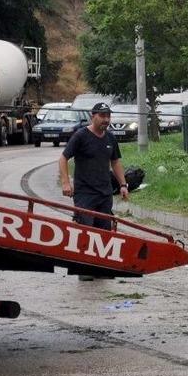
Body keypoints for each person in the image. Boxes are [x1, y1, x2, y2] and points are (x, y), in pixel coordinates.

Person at [58, 102, 130, 281]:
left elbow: (115, 162)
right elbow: (63, 158)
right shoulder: (81, 136)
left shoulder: (110, 138)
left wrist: (123, 184)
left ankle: (101, 267)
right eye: (102, 116)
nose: (106, 120)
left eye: (108, 116)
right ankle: (84, 269)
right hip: (84, 194)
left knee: (103, 231)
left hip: (104, 193)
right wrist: (66, 183)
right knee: (85, 230)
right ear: (93, 116)